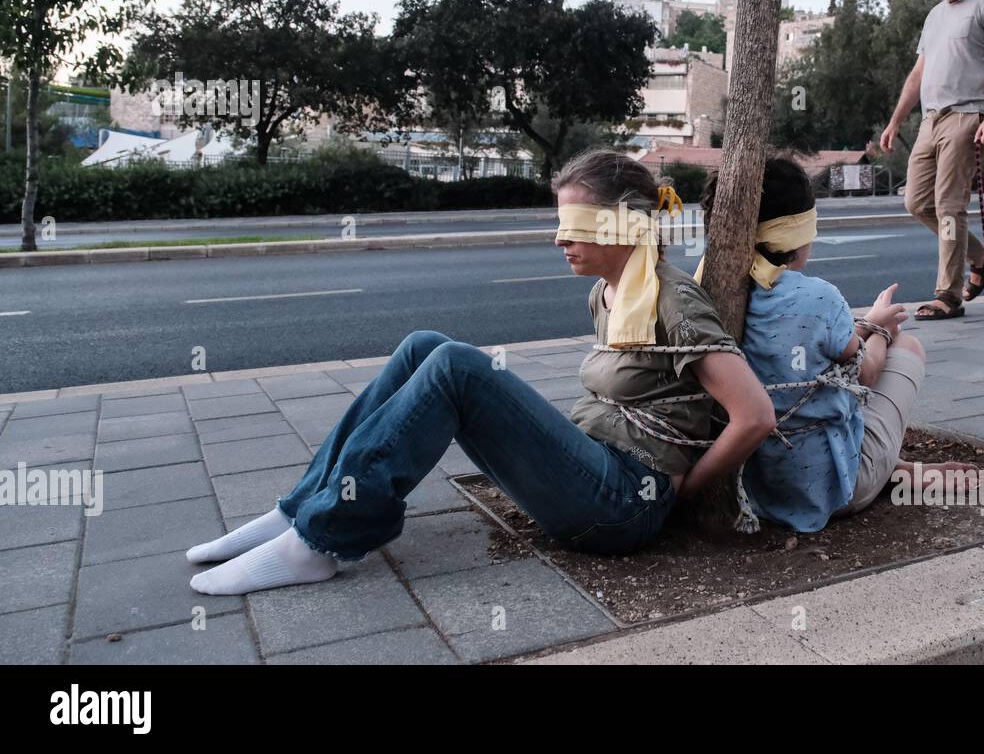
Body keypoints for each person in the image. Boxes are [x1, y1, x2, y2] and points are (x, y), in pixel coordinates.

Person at [186, 148, 775, 595]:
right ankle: (300, 511)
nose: (559, 239)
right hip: (592, 467)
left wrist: (685, 496)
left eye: (577, 226)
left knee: (456, 367)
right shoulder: (610, 291)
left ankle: (322, 542)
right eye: (561, 222)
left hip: (625, 504)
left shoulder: (673, 301)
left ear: (623, 225)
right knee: (424, 345)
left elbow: (754, 415)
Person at [698, 155, 976, 533]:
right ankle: (883, 473)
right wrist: (880, 330)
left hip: (757, 490)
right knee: (908, 348)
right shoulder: (818, 297)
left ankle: (895, 469)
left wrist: (862, 328)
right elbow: (868, 371)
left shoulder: (710, 290)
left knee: (822, 388)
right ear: (801, 235)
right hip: (835, 492)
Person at [879, 0, 984, 320]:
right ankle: (981, 257)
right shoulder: (934, 17)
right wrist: (895, 120)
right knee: (916, 202)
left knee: (949, 207)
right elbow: (918, 74)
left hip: (967, 116)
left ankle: (948, 294)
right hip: (930, 119)